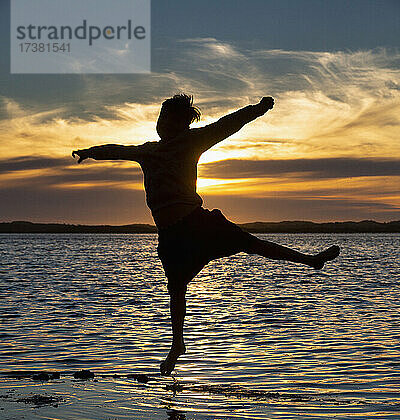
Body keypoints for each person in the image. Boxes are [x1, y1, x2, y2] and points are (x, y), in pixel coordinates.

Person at [72, 94, 340, 375]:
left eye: (166, 119)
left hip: (198, 224)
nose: (160, 124)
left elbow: (229, 124)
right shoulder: (148, 151)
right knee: (176, 289)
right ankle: (177, 344)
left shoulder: (191, 142)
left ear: (180, 123)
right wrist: (91, 151)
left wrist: (258, 109)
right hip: (171, 236)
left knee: (253, 244)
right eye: (159, 119)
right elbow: (118, 150)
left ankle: (311, 261)